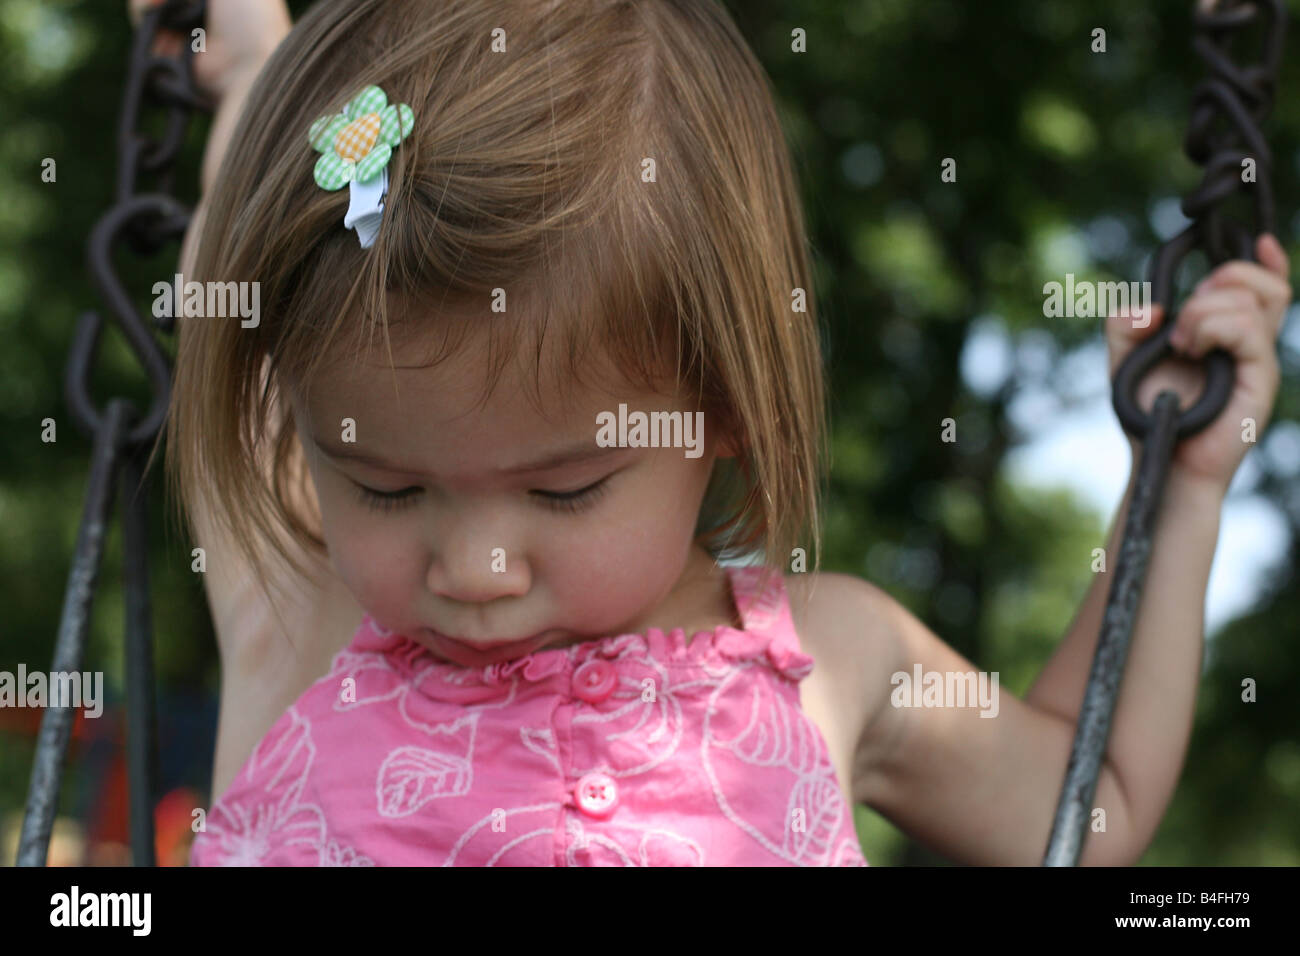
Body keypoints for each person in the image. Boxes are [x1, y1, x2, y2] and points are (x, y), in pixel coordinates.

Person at [139, 0, 1292, 865]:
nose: (473, 568)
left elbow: (1092, 801)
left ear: (727, 406)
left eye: (567, 487)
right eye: (386, 487)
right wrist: (248, 68)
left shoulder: (830, 663)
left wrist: (1175, 485)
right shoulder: (310, 627)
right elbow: (229, 328)